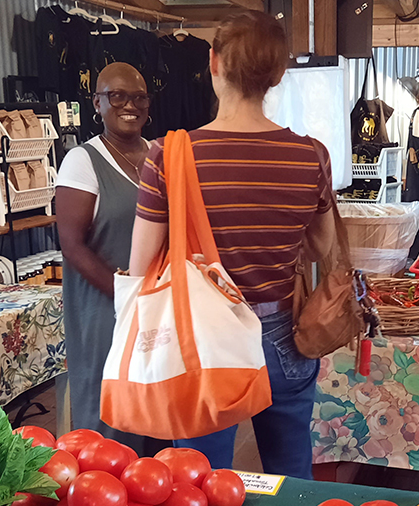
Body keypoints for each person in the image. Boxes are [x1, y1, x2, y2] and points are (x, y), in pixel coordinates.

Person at [128, 12, 335, 479]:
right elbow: (322, 247)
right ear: (278, 74)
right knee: (291, 477)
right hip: (284, 334)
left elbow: (140, 266)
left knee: (199, 483)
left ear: (213, 63)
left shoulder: (169, 154)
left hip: (202, 340)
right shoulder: (310, 155)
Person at [56, 62, 165, 456]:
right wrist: (124, 294)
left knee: (155, 404)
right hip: (105, 311)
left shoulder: (159, 156)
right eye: (116, 96)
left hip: (155, 308)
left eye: (138, 97)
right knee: (110, 415)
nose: (129, 105)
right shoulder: (83, 161)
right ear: (97, 102)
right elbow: (72, 244)